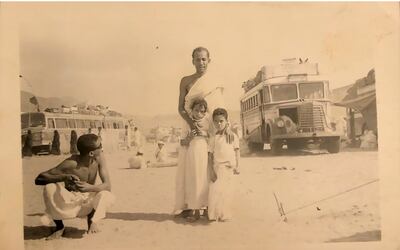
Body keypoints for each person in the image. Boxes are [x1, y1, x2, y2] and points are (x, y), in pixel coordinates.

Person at [174, 47, 233, 220]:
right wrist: (192, 125)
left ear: (209, 60)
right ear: (192, 61)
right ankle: (190, 205)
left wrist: (226, 126)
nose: (201, 63)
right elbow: (180, 108)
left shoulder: (214, 81)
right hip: (190, 127)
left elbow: (220, 109)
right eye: (197, 59)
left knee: (209, 167)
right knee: (190, 168)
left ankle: (210, 205)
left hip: (210, 129)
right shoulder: (185, 81)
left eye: (204, 59)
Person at [34, 134, 114, 240]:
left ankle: (93, 221)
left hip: (88, 200)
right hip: (72, 201)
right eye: (100, 146)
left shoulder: (100, 158)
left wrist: (89, 188)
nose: (102, 148)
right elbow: (39, 179)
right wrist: (64, 177)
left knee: (106, 194)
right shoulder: (71, 163)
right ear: (91, 153)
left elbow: (108, 186)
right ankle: (59, 227)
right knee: (50, 187)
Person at [208, 108, 240, 222]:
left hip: (229, 168)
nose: (219, 124)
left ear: (227, 121)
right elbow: (210, 155)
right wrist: (211, 171)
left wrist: (238, 166)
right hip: (217, 168)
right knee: (215, 191)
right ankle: (214, 215)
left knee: (227, 192)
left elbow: (236, 151)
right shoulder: (213, 138)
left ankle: (225, 214)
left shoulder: (232, 136)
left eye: (221, 121)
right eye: (216, 121)